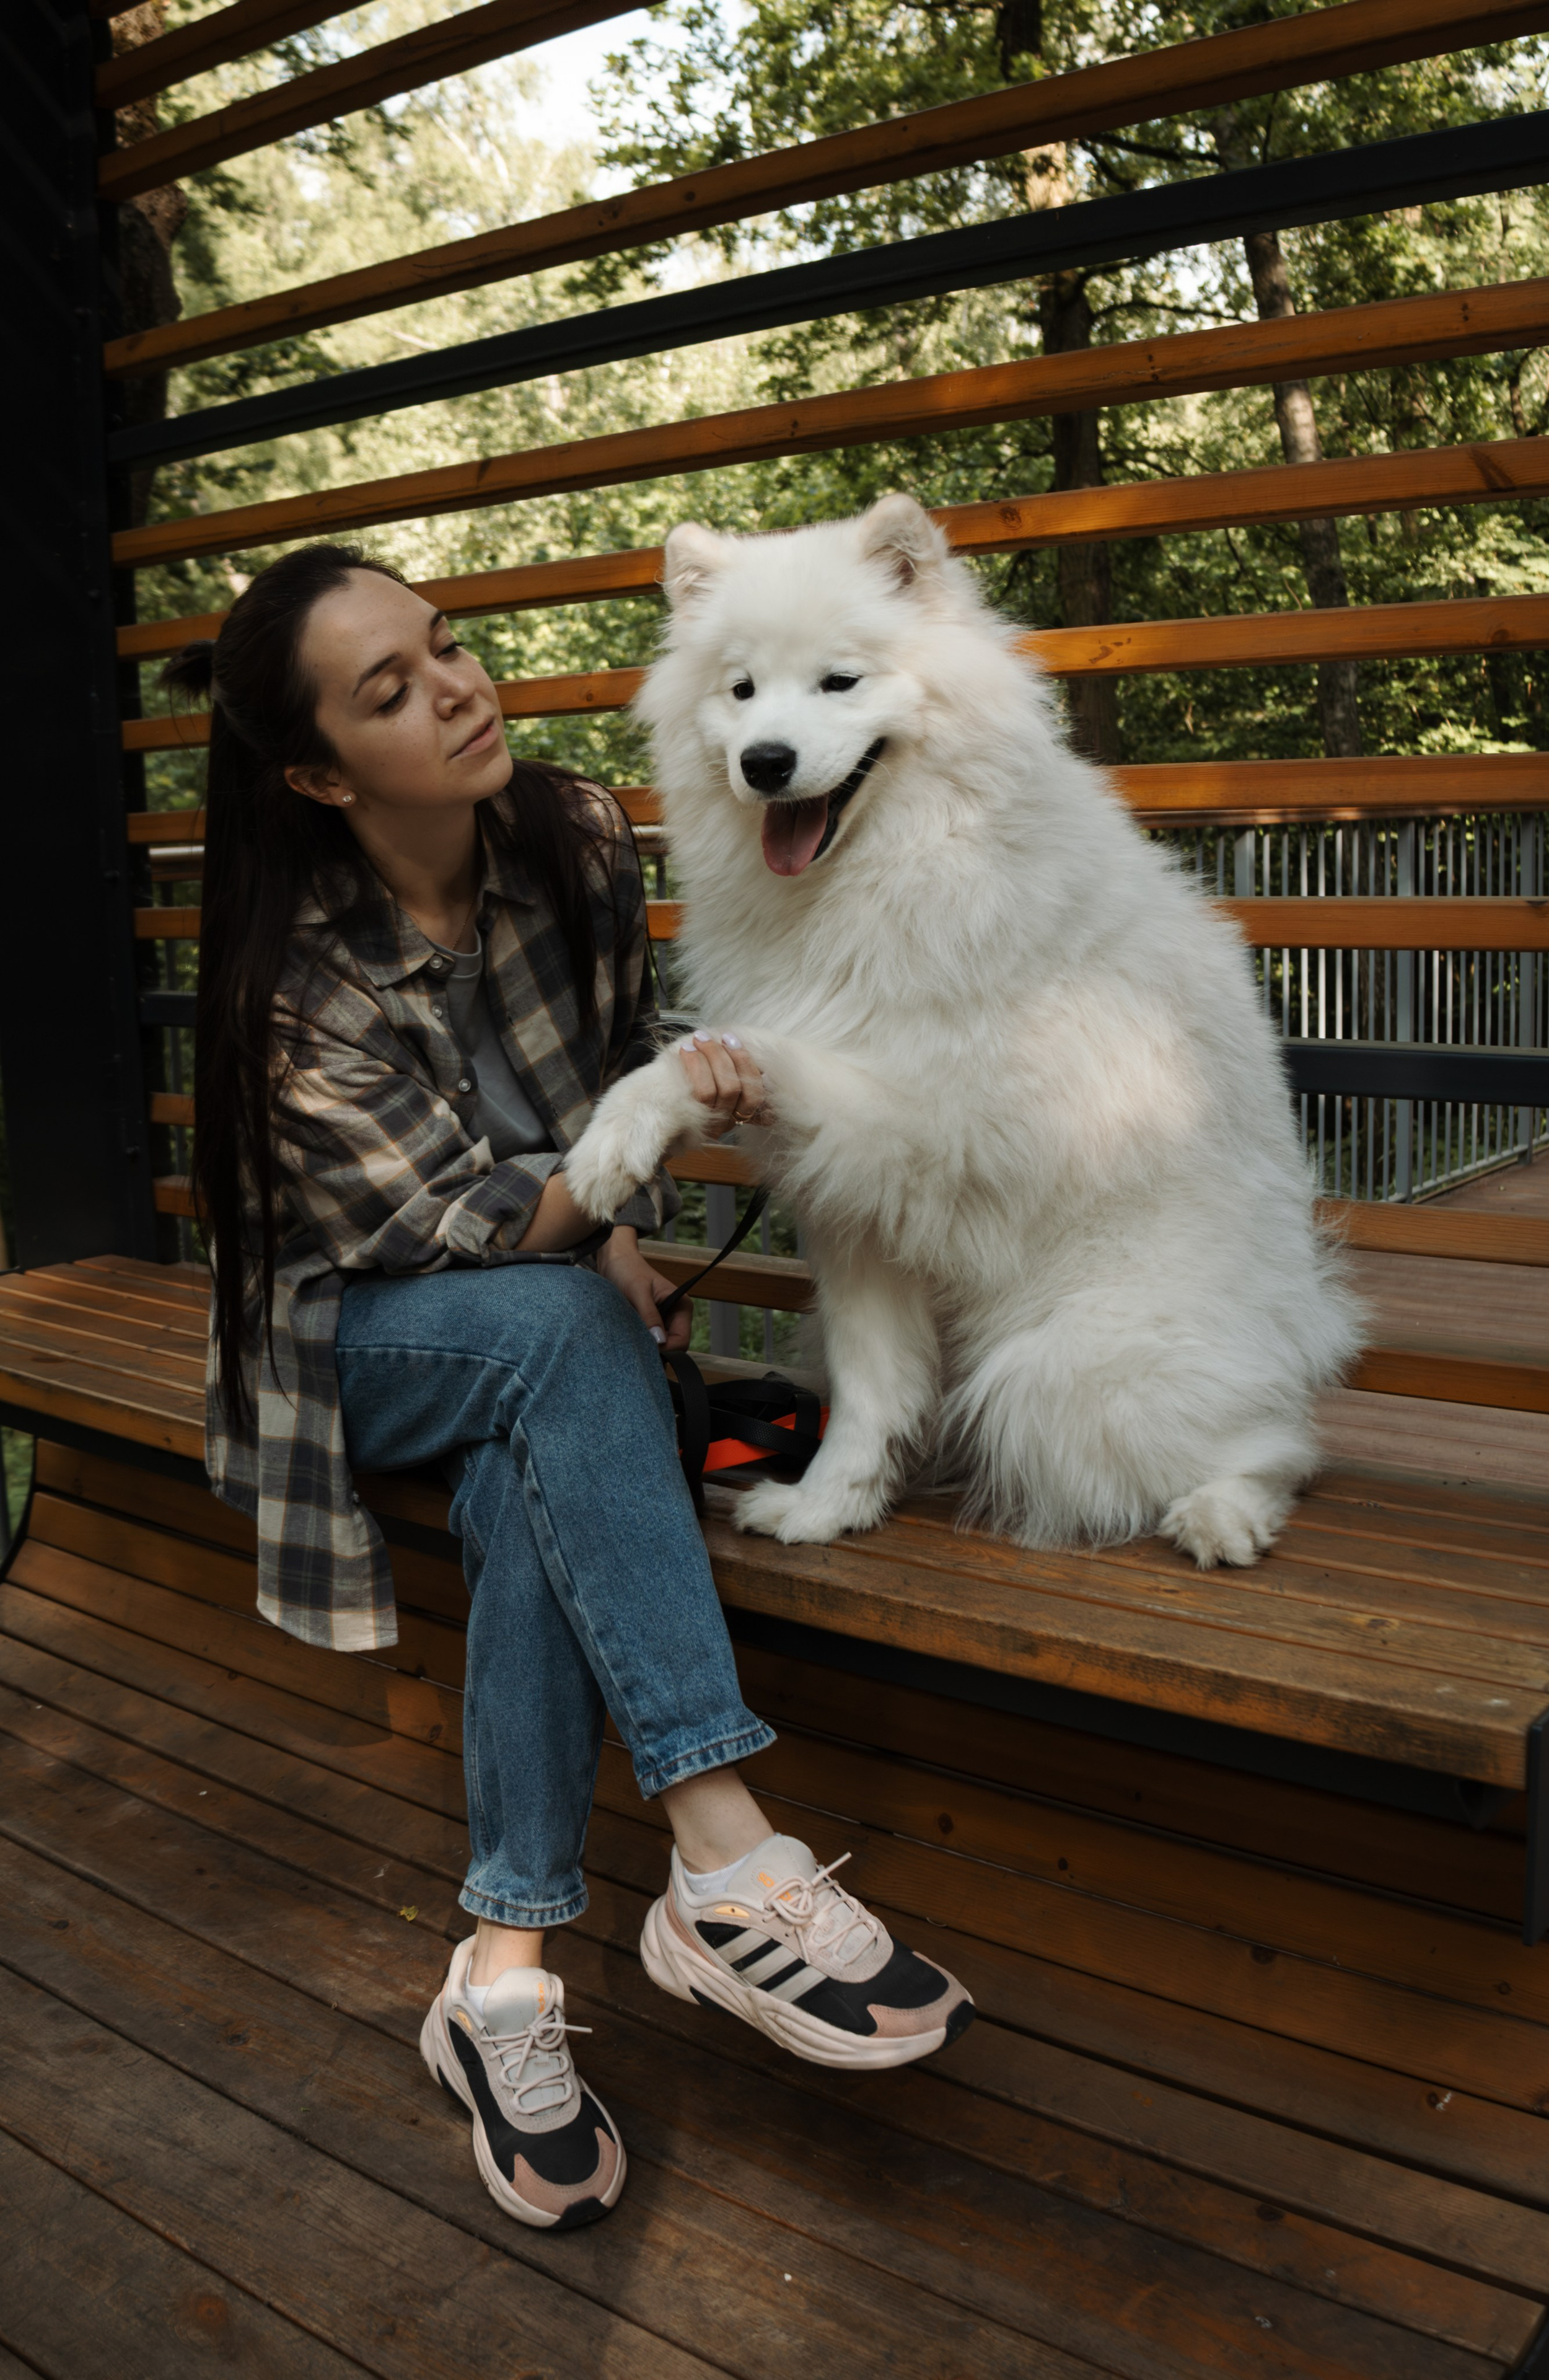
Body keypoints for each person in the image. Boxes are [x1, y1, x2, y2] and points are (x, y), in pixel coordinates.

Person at [165, 543, 972, 2236]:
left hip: (548, 1323)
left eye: (445, 646)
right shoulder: (296, 985)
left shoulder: (579, 835)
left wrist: (679, 1120)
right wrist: (601, 1233)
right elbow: (444, 1232)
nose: (458, 690)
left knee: (539, 1444)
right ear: (320, 775)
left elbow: (615, 1087)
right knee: (553, 1336)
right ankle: (723, 1846)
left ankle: (505, 1973)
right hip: (351, 1343)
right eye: (391, 692)